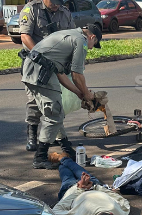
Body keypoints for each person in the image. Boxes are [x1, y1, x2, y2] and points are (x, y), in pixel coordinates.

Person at [21, 25, 102, 169]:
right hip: (40, 73)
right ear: (92, 37)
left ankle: (66, 149)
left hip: (33, 69)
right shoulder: (81, 41)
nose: (90, 49)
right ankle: (40, 157)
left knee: (56, 112)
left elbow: (61, 74)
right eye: (93, 45)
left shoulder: (68, 34)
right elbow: (77, 75)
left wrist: (79, 93)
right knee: (54, 113)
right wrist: (88, 95)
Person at [19, 0, 75, 153]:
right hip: (35, 64)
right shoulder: (31, 10)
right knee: (34, 101)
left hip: (55, 65)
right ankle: (32, 135)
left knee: (56, 102)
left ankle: (56, 136)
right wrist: (41, 54)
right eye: (53, 1)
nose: (56, 6)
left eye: (59, 2)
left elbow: (71, 36)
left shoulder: (64, 12)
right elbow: (25, 36)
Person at [49, 153, 129, 215]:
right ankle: (63, 158)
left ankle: (62, 160)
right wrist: (90, 187)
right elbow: (56, 210)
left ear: (111, 214)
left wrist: (80, 188)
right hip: (87, 187)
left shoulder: (122, 214)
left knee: (72, 172)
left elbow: (121, 199)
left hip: (78, 188)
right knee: (68, 175)